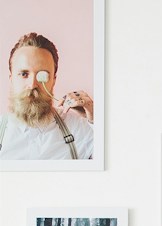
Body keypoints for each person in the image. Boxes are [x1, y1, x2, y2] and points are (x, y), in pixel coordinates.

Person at [0, 33, 94, 162]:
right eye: (23, 74)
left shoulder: (78, 128)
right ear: (11, 79)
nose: (33, 85)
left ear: (54, 80)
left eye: (42, 75)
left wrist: (94, 116)